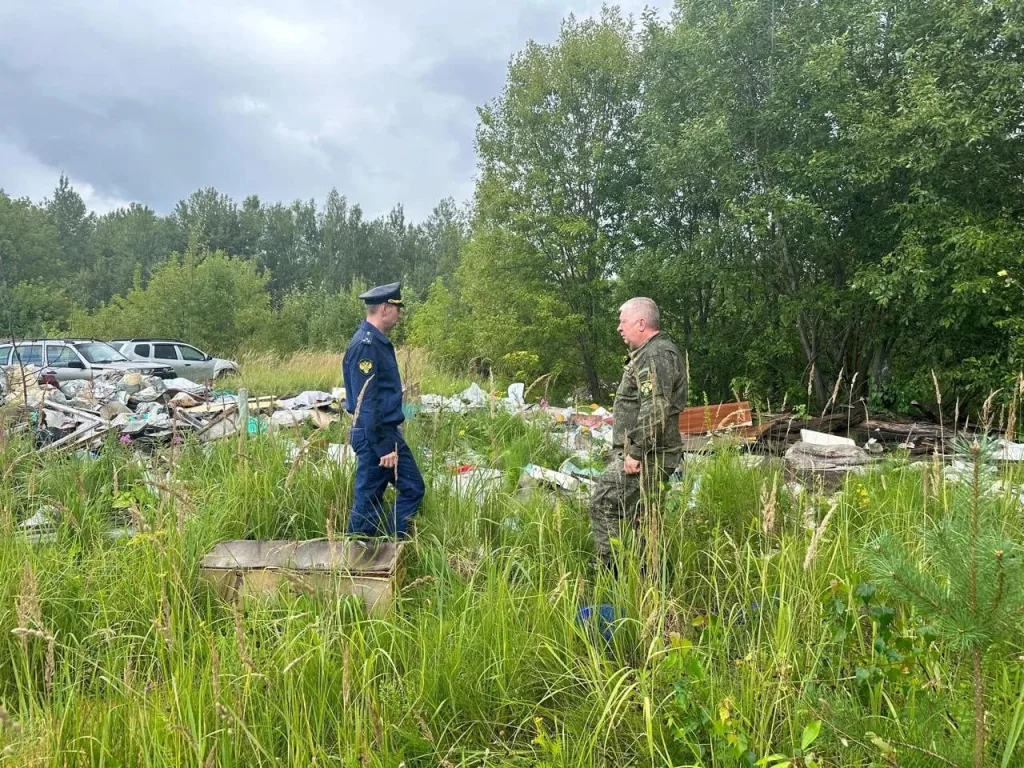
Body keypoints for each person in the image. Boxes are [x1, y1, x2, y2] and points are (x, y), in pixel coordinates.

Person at [588, 297, 688, 573]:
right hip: (654, 454)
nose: (619, 328)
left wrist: (635, 452)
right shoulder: (652, 353)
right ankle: (652, 581)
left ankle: (610, 575)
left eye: (623, 321)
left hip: (648, 456)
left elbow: (655, 407)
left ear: (641, 323)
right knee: (644, 519)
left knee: (604, 504)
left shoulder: (654, 356)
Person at [342, 281, 425, 539]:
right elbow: (366, 402)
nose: (400, 315)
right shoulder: (366, 346)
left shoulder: (377, 342)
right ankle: (354, 562)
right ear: (386, 309)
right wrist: (382, 447)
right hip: (374, 435)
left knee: (412, 488)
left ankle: (390, 546)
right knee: (367, 503)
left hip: (386, 432)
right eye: (398, 309)